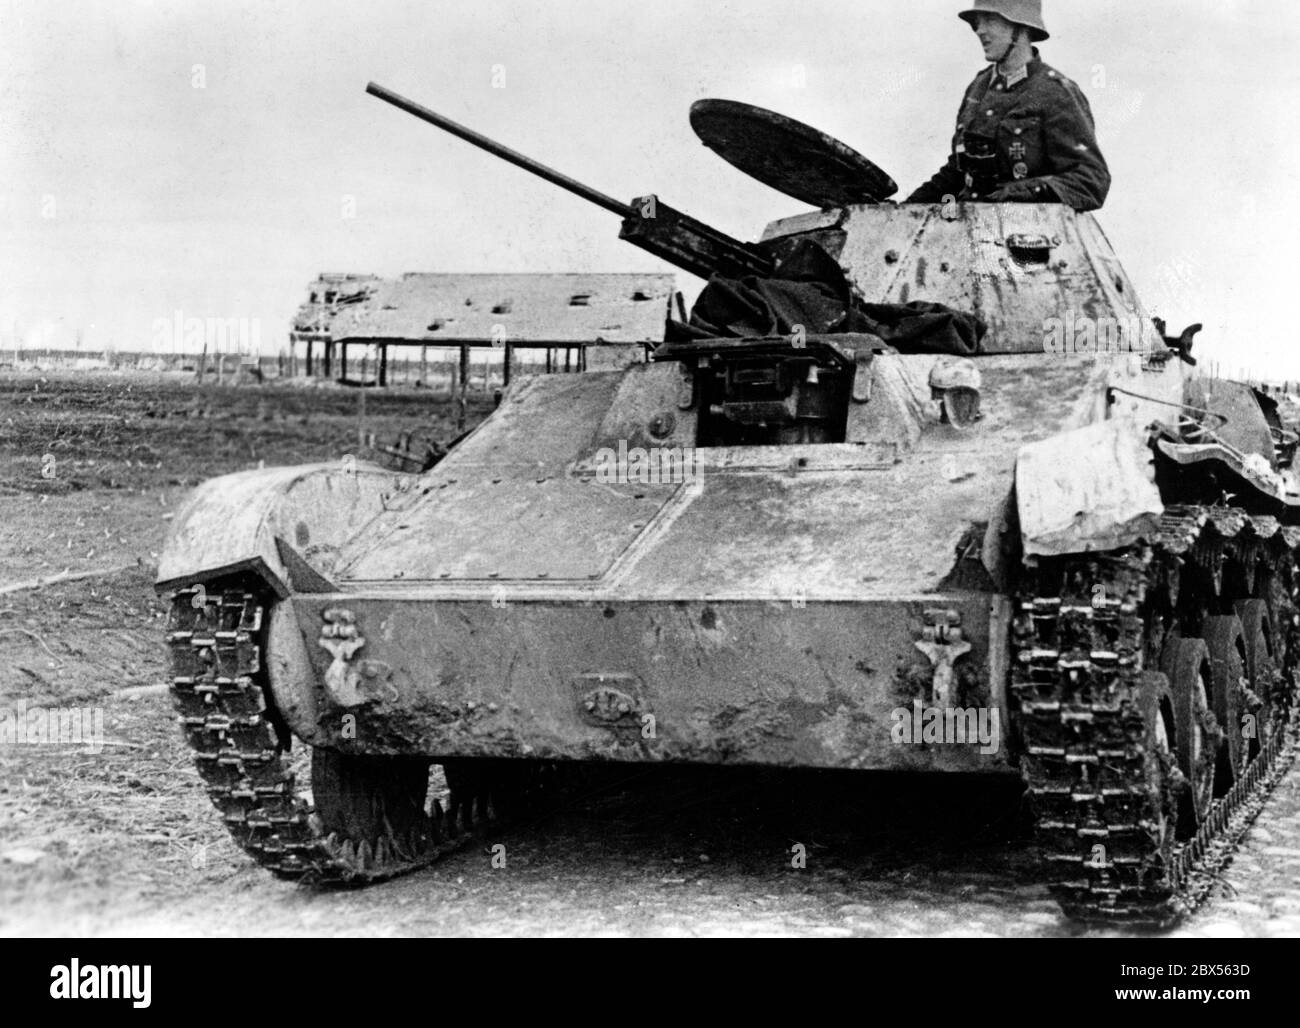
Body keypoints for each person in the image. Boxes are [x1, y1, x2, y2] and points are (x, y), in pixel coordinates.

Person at [906, 0, 1111, 211]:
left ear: (1021, 27)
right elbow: (959, 171)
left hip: (1030, 235)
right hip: (969, 229)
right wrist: (905, 209)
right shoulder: (978, 86)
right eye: (977, 22)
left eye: (991, 20)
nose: (980, 30)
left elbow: (1090, 181)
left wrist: (1014, 195)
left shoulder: (1056, 93)